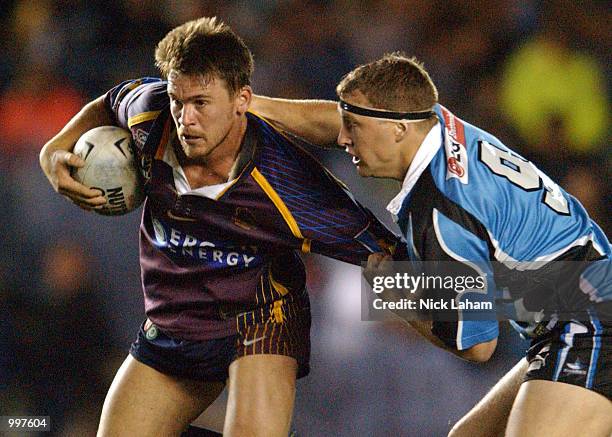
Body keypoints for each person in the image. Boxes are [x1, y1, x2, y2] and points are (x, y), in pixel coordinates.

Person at [39, 18, 401, 436]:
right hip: (175, 320)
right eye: (178, 101)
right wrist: (54, 149)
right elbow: (110, 102)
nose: (185, 118)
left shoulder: (288, 187)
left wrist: (486, 304)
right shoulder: (149, 114)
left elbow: (387, 253)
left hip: (260, 323)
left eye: (201, 103)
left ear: (241, 99)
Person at [249, 53, 611, 436]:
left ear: (399, 129)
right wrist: (252, 105)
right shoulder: (435, 123)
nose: (341, 138)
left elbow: (478, 345)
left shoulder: (440, 207)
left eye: (352, 126)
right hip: (575, 315)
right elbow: (335, 120)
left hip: (589, 326)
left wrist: (395, 295)